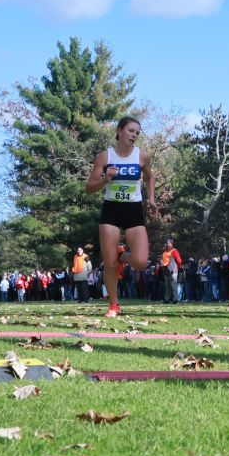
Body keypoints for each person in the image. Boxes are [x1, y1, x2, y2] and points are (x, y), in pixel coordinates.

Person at [85, 116, 154, 318]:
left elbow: (150, 177)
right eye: (131, 131)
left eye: (137, 133)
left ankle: (122, 256)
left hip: (133, 209)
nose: (134, 135)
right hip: (111, 210)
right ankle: (114, 304)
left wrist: (151, 198)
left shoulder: (142, 156)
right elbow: (89, 188)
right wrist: (106, 179)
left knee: (140, 262)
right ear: (119, 130)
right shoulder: (104, 157)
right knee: (109, 263)